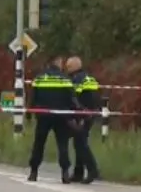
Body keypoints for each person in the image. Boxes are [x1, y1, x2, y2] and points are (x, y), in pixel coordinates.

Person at [28, 54, 78, 183]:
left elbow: (33, 98)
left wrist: (29, 113)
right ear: (57, 62)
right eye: (61, 62)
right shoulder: (64, 79)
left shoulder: (39, 78)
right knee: (62, 145)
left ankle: (33, 172)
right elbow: (71, 99)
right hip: (61, 116)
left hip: (43, 116)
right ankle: (65, 173)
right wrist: (75, 115)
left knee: (39, 144)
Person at [65, 56, 102, 184]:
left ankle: (93, 170)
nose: (67, 69)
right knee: (79, 141)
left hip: (82, 114)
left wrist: (78, 115)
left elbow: (74, 98)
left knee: (80, 143)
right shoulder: (89, 77)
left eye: (69, 66)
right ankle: (78, 173)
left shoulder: (76, 80)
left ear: (75, 67)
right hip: (91, 112)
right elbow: (96, 96)